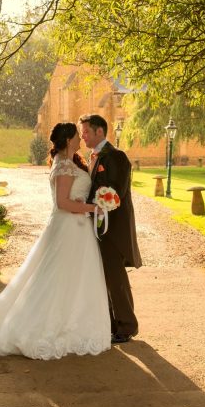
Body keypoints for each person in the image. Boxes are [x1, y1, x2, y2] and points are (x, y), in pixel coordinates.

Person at [0, 122, 111, 360]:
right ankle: (41, 325)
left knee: (73, 276)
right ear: (68, 139)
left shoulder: (70, 163)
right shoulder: (63, 167)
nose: (80, 139)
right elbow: (63, 203)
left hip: (77, 229)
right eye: (76, 136)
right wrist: (95, 207)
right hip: (68, 228)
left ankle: (73, 320)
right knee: (56, 277)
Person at [79, 114, 142, 344]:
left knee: (116, 278)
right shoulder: (93, 157)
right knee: (105, 278)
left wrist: (95, 208)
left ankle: (127, 327)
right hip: (98, 227)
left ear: (99, 132)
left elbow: (117, 193)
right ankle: (113, 325)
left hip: (113, 229)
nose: (83, 136)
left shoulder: (117, 157)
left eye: (86, 132)